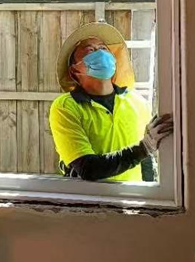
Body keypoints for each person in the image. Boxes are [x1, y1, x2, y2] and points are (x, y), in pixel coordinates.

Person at [49, 22, 173, 182]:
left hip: (131, 195)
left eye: (103, 48)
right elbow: (88, 168)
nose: (100, 53)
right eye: (90, 50)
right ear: (75, 69)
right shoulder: (66, 107)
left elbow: (145, 162)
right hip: (86, 197)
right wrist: (144, 148)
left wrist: (150, 191)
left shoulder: (137, 103)